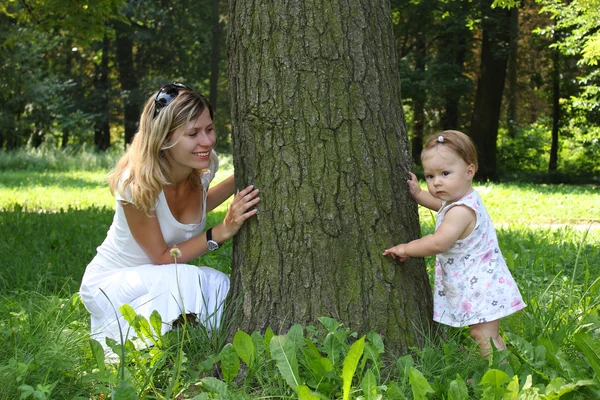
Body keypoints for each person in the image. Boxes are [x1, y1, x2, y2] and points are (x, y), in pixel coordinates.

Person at [79, 82, 260, 358]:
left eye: (209, 129)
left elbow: (194, 208)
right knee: (185, 277)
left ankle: (199, 349)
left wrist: (245, 178)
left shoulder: (202, 164)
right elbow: (163, 258)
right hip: (113, 283)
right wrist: (220, 232)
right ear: (164, 139)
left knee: (219, 285)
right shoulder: (136, 184)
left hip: (161, 275)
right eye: (193, 133)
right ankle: (140, 354)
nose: (207, 141)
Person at [383, 130, 525, 357]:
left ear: (469, 171)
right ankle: (496, 371)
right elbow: (442, 206)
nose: (437, 182)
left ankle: (500, 380)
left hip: (482, 286)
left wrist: (405, 249)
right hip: (478, 282)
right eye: (430, 176)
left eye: (445, 173)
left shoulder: (461, 211)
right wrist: (419, 194)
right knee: (483, 334)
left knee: (484, 335)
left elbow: (438, 243)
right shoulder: (461, 200)